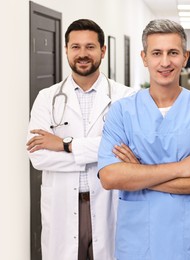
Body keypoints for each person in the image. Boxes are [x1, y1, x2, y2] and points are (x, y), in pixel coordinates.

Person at [97, 19, 190, 260]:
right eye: (156, 53)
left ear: (185, 57)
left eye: (173, 53)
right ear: (144, 57)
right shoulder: (122, 111)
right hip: (137, 243)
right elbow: (109, 176)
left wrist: (138, 172)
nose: (165, 62)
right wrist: (181, 168)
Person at [26, 19, 135, 260]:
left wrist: (65, 145)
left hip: (109, 202)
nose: (82, 54)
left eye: (90, 47)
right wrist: (104, 156)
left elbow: (131, 149)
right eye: (75, 47)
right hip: (63, 204)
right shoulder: (47, 98)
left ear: (103, 50)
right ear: (66, 50)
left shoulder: (126, 97)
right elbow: (38, 156)